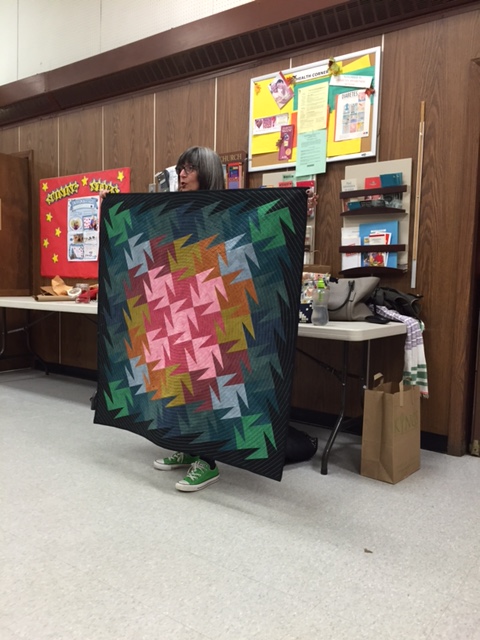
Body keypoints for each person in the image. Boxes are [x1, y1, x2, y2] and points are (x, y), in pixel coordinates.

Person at [152, 146, 225, 492]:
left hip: (209, 307)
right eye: (181, 168)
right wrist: (113, 205)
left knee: (202, 380)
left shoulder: (223, 210)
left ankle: (207, 461)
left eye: (190, 168)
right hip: (179, 304)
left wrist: (302, 205)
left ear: (206, 173)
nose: (182, 175)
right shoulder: (178, 208)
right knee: (178, 375)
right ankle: (187, 446)